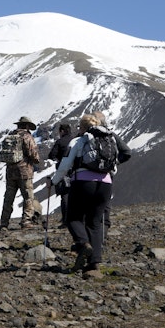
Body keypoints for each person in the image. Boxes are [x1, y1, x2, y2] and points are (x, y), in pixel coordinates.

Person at [51, 114, 130, 273]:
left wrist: (54, 181)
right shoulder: (110, 139)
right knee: (95, 222)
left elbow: (66, 163)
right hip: (106, 184)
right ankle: (94, 263)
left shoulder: (79, 140)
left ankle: (83, 243)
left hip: (83, 182)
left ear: (82, 127)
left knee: (73, 218)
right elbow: (122, 155)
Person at [0, 116, 41, 230]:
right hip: (24, 171)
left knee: (9, 197)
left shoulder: (10, 136)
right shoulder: (27, 136)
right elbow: (33, 154)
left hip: (10, 171)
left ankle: (4, 222)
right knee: (28, 196)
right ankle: (26, 221)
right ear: (26, 126)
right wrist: (36, 160)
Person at [47, 123, 73, 229]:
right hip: (76, 170)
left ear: (62, 131)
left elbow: (51, 155)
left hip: (63, 170)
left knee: (65, 195)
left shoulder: (60, 142)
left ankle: (66, 220)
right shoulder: (75, 140)